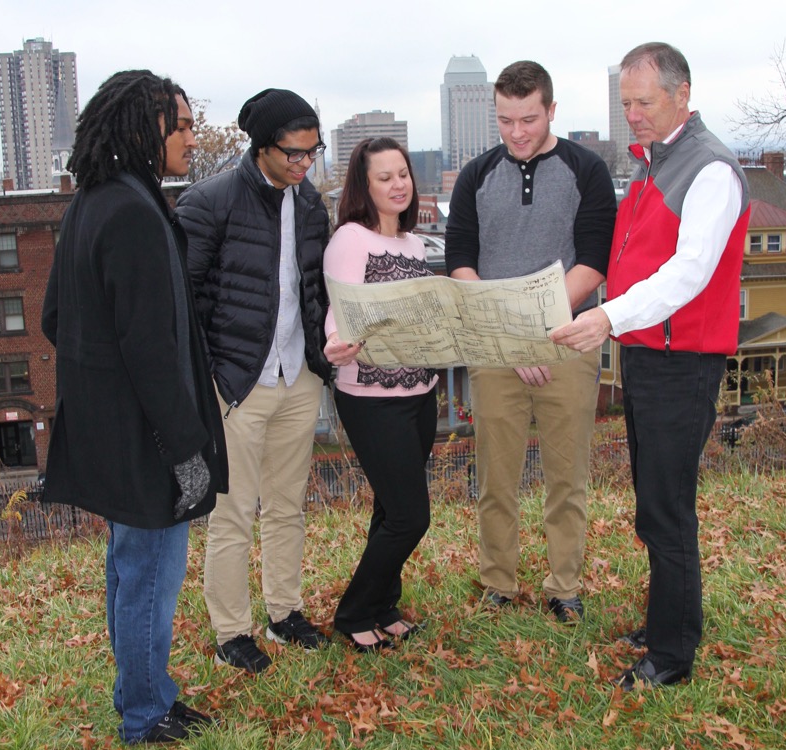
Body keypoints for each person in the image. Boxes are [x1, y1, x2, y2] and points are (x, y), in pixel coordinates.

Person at [551, 42, 750, 689]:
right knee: (653, 505)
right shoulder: (651, 164)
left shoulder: (710, 170)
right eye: (625, 103)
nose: (632, 114)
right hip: (647, 356)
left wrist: (608, 317)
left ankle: (671, 657)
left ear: (682, 95)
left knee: (667, 511)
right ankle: (670, 620)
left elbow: (689, 272)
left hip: (682, 364)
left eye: (644, 101)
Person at [41, 70, 228, 744]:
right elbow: (151, 348)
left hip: (113, 431)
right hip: (150, 438)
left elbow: (55, 317)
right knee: (149, 573)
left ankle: (144, 695)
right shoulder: (134, 213)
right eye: (178, 124)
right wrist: (186, 449)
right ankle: (146, 715)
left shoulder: (92, 202)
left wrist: (102, 389)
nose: (190, 136)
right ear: (143, 128)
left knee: (130, 569)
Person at [445, 61, 616, 621]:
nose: (516, 132)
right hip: (495, 350)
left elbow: (592, 262)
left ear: (551, 110)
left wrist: (536, 335)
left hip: (569, 342)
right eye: (504, 120)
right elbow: (460, 264)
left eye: (528, 118)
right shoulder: (474, 176)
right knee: (497, 475)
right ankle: (499, 582)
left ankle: (564, 586)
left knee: (567, 477)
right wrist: (511, 339)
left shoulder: (586, 170)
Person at [176, 89, 332, 674]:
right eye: (293, 153)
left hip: (298, 377)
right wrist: (208, 379)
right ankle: (231, 632)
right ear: (261, 147)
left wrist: (322, 356)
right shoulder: (209, 203)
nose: (303, 163)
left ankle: (284, 611)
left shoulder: (311, 202)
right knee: (233, 511)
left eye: (312, 152)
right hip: (236, 382)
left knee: (288, 505)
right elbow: (184, 304)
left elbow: (311, 289)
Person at [323, 138, 438, 651]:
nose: (398, 184)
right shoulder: (350, 239)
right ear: (363, 186)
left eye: (403, 174)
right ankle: (353, 613)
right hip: (371, 396)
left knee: (390, 511)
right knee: (412, 516)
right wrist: (334, 345)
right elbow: (338, 311)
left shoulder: (414, 243)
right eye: (384, 177)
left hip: (422, 390)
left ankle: (382, 607)